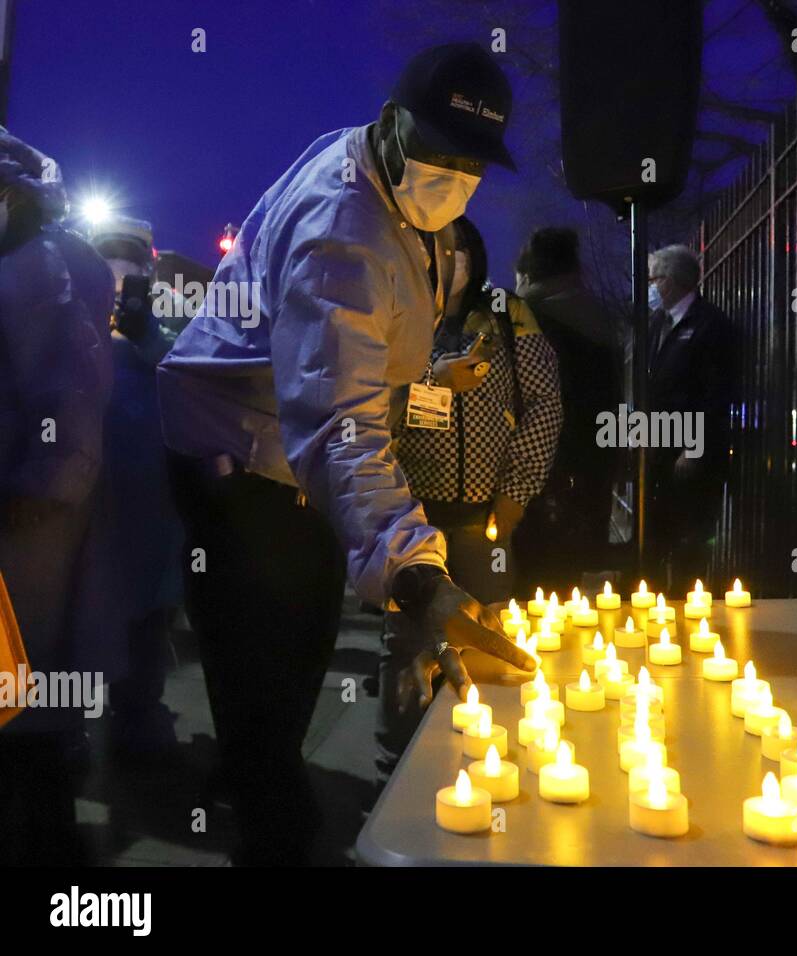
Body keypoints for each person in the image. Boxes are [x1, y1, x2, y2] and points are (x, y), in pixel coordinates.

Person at [156, 44, 536, 865]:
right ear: (394, 125)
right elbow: (337, 417)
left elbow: (368, 362)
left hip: (283, 465)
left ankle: (258, 782)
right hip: (242, 472)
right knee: (271, 672)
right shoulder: (343, 231)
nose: (456, 175)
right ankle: (271, 832)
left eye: (473, 162)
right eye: (440, 151)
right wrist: (416, 570)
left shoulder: (390, 189)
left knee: (295, 653)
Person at [379, 216, 561, 781]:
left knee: (484, 634)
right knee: (406, 643)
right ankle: (399, 773)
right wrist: (429, 382)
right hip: (412, 515)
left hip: (484, 515)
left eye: (457, 249)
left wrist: (516, 493)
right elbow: (373, 405)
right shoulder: (401, 315)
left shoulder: (509, 316)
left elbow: (544, 405)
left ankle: (481, 767)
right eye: (434, 249)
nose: (447, 261)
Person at [0, 129, 117, 864]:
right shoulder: (36, 264)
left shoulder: (40, 270)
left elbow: (69, 398)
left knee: (20, 689)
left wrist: (36, 487)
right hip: (29, 510)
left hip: (23, 517)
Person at [90, 216, 186, 762]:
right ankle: (72, 727)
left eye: (131, 274)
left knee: (148, 624)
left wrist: (145, 331)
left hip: (153, 511)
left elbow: (186, 377)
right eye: (109, 271)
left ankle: (141, 717)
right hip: (92, 506)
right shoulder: (72, 326)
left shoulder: (168, 331)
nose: (120, 285)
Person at [513, 227, 622, 589]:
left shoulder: (527, 318)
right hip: (591, 467)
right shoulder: (601, 318)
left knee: (529, 578)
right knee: (569, 577)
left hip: (537, 470)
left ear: (528, 274)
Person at [645, 244, 735, 590]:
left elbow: (716, 395)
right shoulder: (657, 323)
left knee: (688, 547)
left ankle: (686, 612)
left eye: (656, 278)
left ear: (674, 280)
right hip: (658, 451)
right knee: (653, 542)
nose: (651, 286)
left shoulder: (711, 325)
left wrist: (694, 449)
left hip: (692, 459)